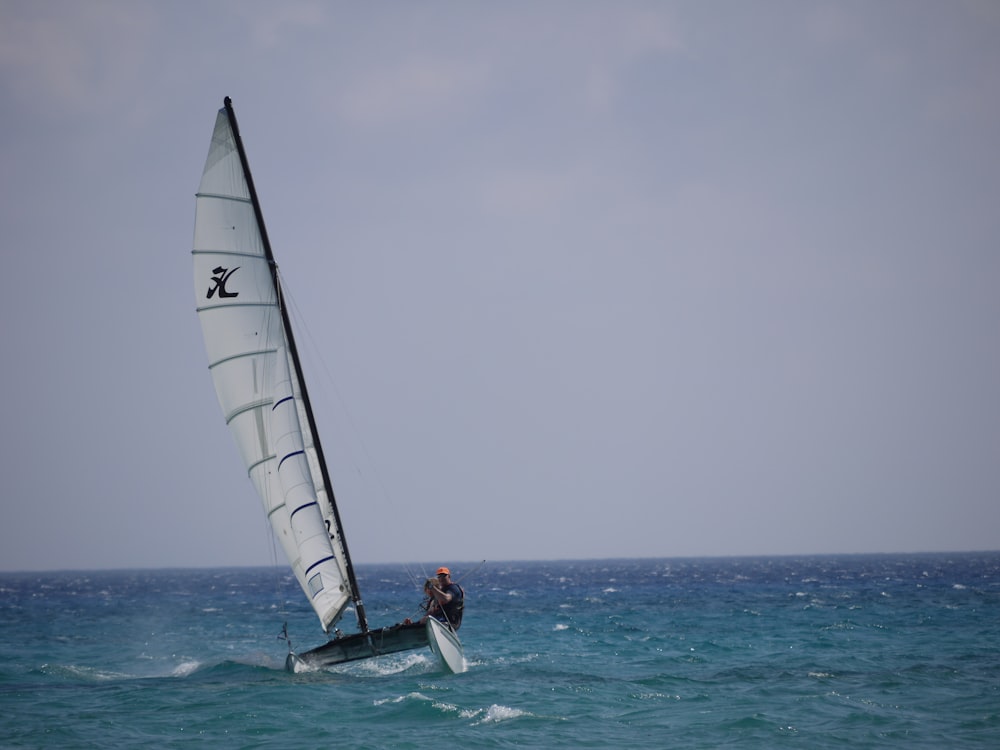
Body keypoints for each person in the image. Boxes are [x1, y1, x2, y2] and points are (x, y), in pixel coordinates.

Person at [422, 566, 464, 630]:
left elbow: (446, 599)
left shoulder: (453, 588)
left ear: (449, 576)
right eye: (439, 576)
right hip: (439, 620)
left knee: (429, 620)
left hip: (450, 623)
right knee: (424, 620)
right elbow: (430, 612)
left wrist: (432, 587)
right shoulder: (440, 591)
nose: (441, 578)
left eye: (444, 576)